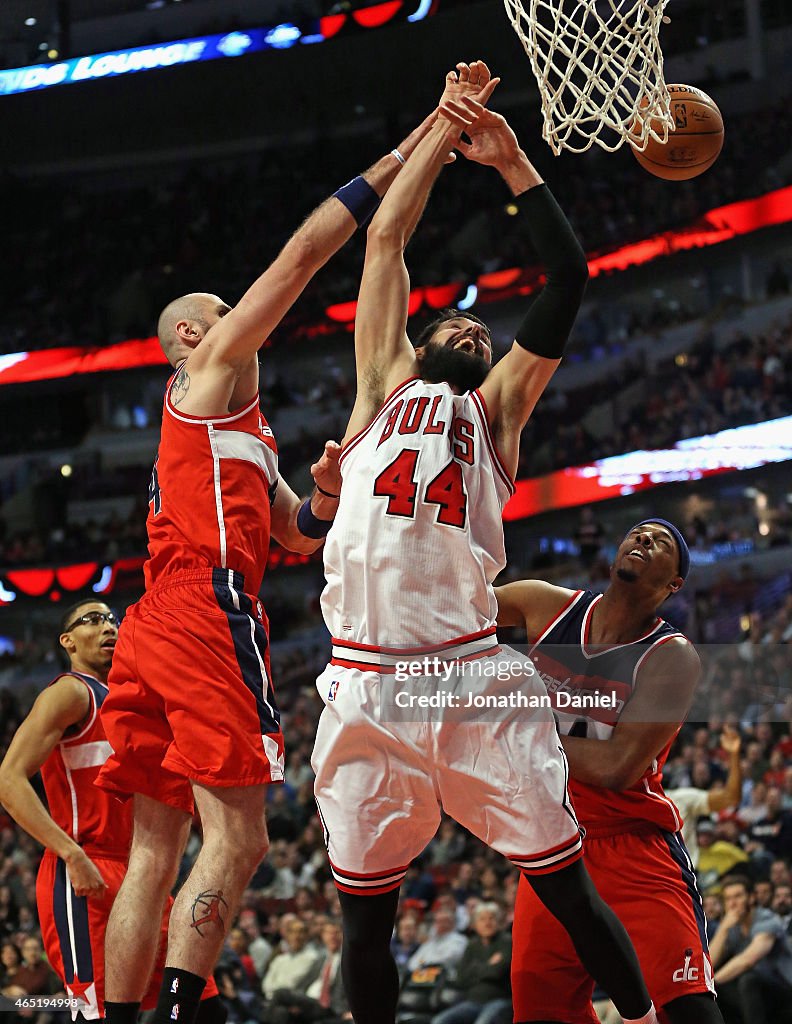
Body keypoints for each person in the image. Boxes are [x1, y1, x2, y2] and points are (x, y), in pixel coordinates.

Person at [311, 62, 658, 1024]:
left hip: (467, 677)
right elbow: (385, 237)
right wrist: (442, 126)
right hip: (366, 685)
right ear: (421, 341)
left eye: (483, 324)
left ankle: (635, 1019)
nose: (471, 325)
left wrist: (511, 161)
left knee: (566, 885)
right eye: (455, 319)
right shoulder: (380, 383)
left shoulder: (497, 409)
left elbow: (570, 275)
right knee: (363, 927)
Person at [93, 109, 441, 1024]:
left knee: (156, 852)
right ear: (188, 343)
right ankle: (181, 1008)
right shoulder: (206, 382)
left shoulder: (237, 434)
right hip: (203, 611)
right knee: (241, 838)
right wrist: (414, 143)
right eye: (220, 316)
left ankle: (119, 1015)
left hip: (154, 625)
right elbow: (298, 258)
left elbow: (295, 535)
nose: (239, 321)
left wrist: (323, 495)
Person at [496, 519, 725, 1023]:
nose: (644, 540)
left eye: (661, 542)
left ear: (673, 586)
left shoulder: (673, 657)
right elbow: (454, 609)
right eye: (638, 533)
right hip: (553, 845)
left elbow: (617, 766)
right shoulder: (545, 604)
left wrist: (521, 727)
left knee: (689, 1012)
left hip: (633, 847)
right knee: (542, 1013)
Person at [0, 599, 221, 1018]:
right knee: (101, 1014)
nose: (107, 627)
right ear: (67, 640)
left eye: (111, 619)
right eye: (92, 620)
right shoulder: (70, 692)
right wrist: (71, 853)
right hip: (88, 872)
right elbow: (8, 779)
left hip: (142, 873)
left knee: (204, 1009)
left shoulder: (129, 701)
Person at [709, 874, 792, 1024]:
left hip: (783, 989)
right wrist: (723, 929)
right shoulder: (732, 926)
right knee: (719, 991)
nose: (733, 903)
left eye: (738, 896)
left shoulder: (767, 919)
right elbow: (708, 965)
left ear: (751, 898)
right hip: (755, 996)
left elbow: (747, 960)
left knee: (748, 979)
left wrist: (710, 984)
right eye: (728, 899)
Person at [667, 725, 743, 868]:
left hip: (683, 880)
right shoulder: (623, 804)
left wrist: (734, 756)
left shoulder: (679, 798)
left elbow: (731, 797)